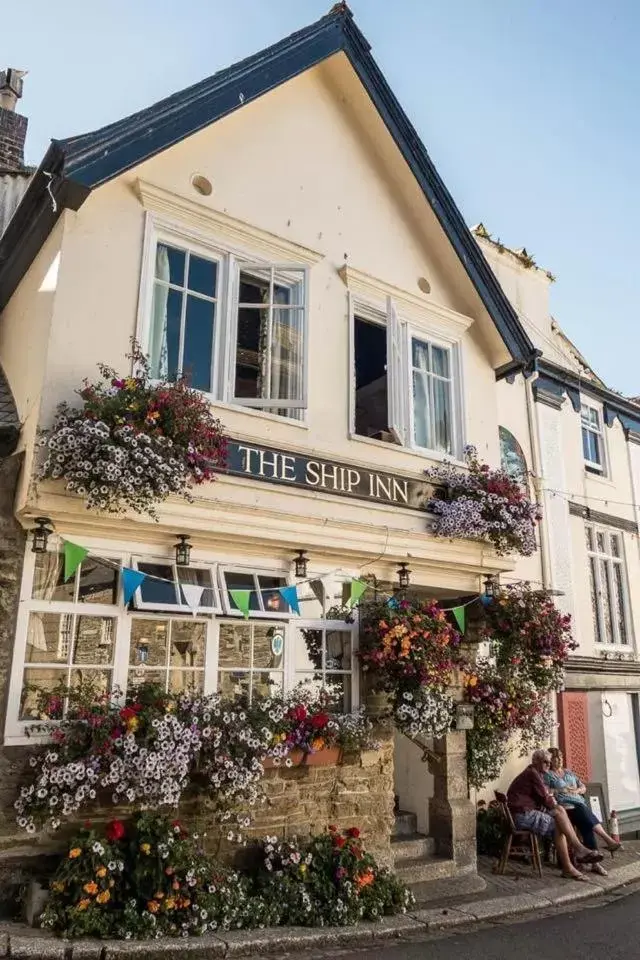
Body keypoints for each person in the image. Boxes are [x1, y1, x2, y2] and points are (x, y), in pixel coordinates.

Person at [507, 748, 603, 882]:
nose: (548, 764)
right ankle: (571, 861)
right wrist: (555, 804)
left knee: (559, 812)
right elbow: (546, 799)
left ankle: (575, 854)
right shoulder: (532, 774)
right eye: (545, 762)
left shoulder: (536, 773)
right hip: (521, 815)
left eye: (549, 762)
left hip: (523, 812)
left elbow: (543, 798)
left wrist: (555, 804)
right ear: (535, 762)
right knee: (558, 823)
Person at [544, 747, 622, 877]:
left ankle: (595, 860)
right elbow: (547, 792)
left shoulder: (568, 772)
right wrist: (560, 791)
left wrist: (577, 791)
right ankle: (605, 846)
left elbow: (583, 787)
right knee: (585, 818)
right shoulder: (548, 775)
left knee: (586, 822)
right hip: (565, 807)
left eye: (561, 757)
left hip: (579, 804)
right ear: (550, 760)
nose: (559, 760)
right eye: (555, 758)